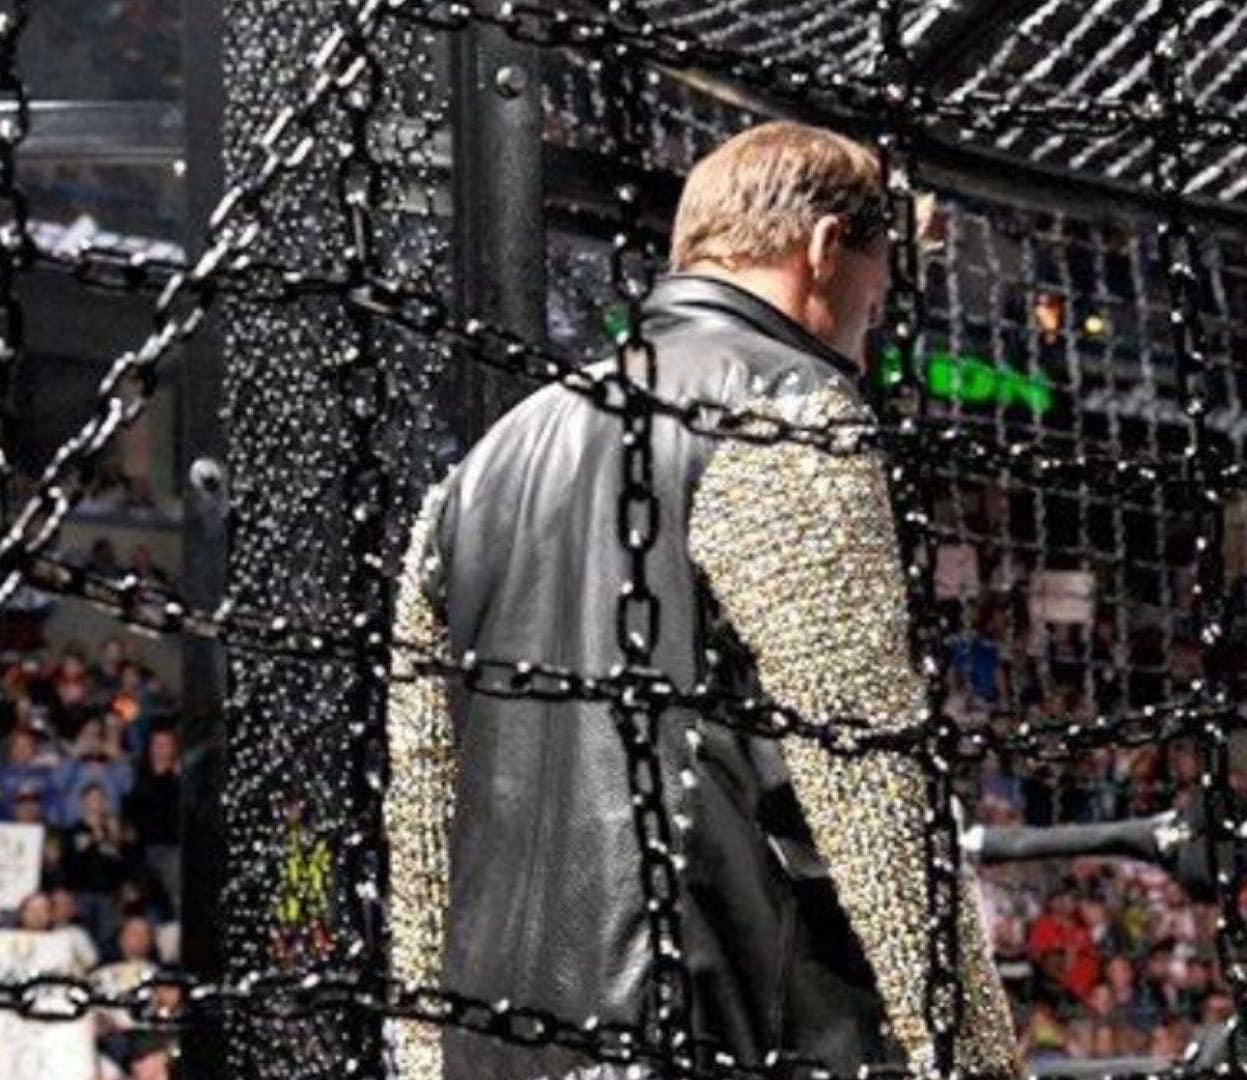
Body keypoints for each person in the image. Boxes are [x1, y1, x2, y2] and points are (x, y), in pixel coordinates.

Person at [383, 122, 1019, 1080]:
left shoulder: (484, 464)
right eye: (879, 291)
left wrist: (425, 1051)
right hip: (710, 1028)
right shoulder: (788, 408)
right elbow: (865, 764)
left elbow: (423, 804)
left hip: (498, 1044)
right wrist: (974, 1055)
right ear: (824, 250)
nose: (871, 328)